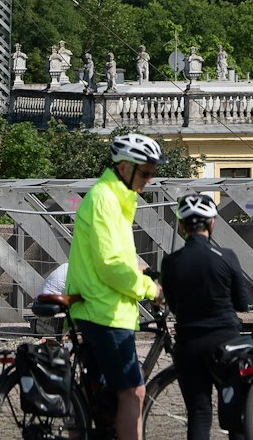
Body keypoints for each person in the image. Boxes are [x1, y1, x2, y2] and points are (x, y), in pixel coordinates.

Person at [69, 132, 165, 440]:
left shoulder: (116, 198)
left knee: (96, 394)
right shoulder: (105, 199)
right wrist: (152, 291)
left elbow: (120, 257)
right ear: (125, 168)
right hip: (104, 311)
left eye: (153, 173)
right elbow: (110, 265)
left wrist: (145, 271)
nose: (150, 179)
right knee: (133, 392)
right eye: (146, 172)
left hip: (103, 307)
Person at [160, 194, 253, 440]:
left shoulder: (170, 263)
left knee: (199, 412)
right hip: (226, 344)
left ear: (181, 226)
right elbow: (242, 303)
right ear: (211, 223)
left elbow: (174, 305)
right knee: (236, 412)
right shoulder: (227, 256)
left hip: (189, 344)